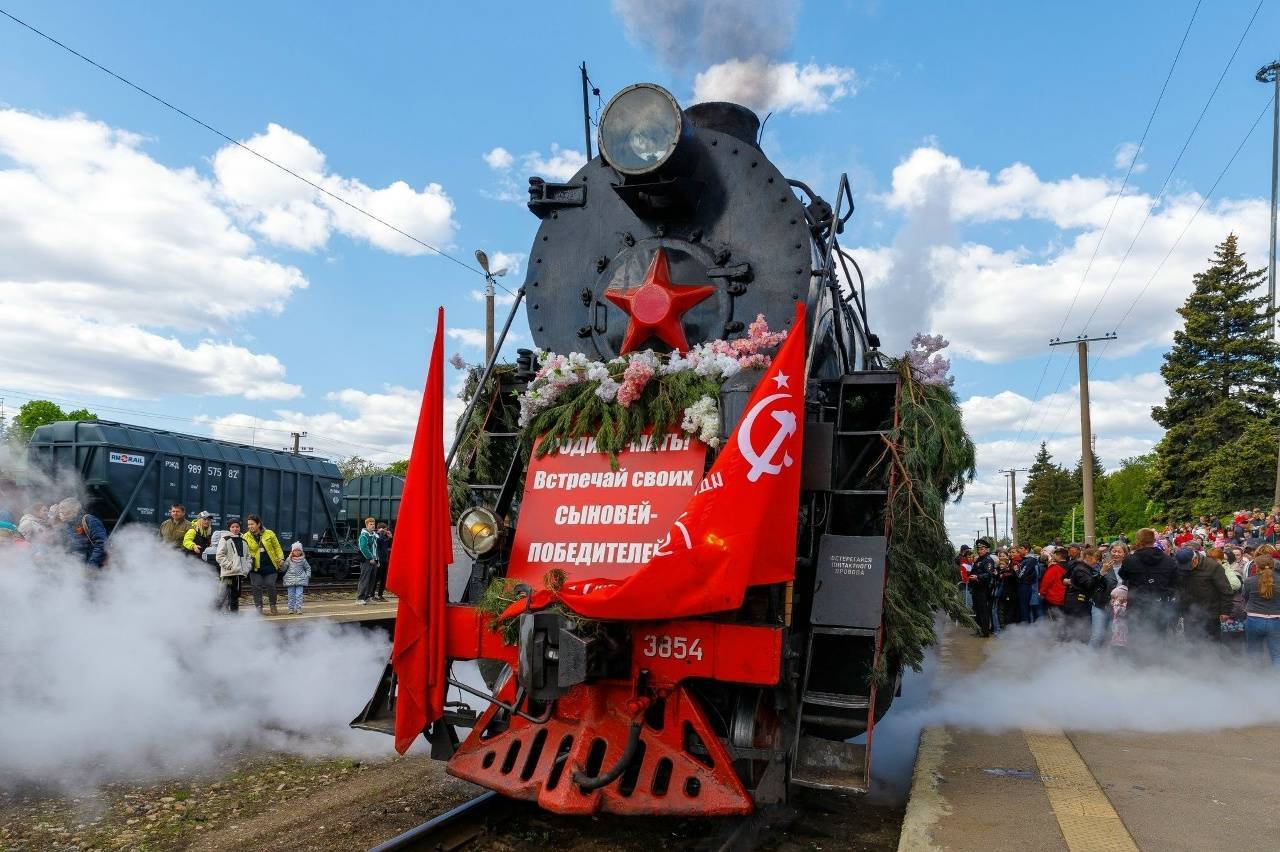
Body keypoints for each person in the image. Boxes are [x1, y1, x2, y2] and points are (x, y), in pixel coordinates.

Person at [1118, 528, 1179, 640]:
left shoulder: (1130, 560)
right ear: (1153, 540)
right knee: (1159, 640)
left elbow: (1123, 575)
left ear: (1138, 541)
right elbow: (1175, 583)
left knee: (1136, 640)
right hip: (1160, 607)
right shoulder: (1169, 560)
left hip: (1137, 607)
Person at [1174, 546, 1233, 642]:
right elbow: (1178, 587)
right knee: (1192, 642)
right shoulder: (1180, 566)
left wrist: (1225, 611)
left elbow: (1226, 590)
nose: (1186, 569)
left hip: (1210, 613)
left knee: (1212, 642)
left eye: (1188, 566)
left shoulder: (1213, 567)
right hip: (1189, 613)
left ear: (1195, 559)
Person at [1242, 553, 1280, 665]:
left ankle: (1255, 680)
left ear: (1257, 567)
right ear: (1273, 566)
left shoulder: (1249, 581)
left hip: (1254, 620)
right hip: (1276, 620)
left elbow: (1245, 597)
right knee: (1277, 654)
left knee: (1254, 653)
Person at [243, 514, 283, 615]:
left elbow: (277, 547)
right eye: (248, 524)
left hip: (270, 566)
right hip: (255, 567)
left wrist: (281, 558)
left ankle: (273, 605)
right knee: (256, 586)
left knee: (270, 584)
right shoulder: (246, 536)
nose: (250, 526)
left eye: (252, 524)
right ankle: (259, 607)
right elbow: (244, 551)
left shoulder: (269, 533)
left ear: (258, 524)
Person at [58, 498, 107, 569]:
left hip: (93, 568)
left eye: (63, 507)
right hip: (75, 568)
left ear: (75, 509)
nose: (60, 511)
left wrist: (91, 565)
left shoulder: (89, 520)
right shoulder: (66, 526)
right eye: (59, 508)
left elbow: (101, 544)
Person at [1061, 546, 1097, 642]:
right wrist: (1070, 581)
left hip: (1077, 601)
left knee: (1075, 627)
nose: (1096, 561)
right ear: (1088, 557)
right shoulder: (1078, 567)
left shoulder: (1087, 567)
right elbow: (1089, 584)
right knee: (1076, 627)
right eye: (1095, 558)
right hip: (1077, 602)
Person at [1091, 543, 1124, 646]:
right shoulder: (1101, 565)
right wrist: (1102, 572)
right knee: (1097, 635)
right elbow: (1091, 584)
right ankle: (1087, 659)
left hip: (1119, 608)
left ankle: (1107, 660)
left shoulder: (1128, 567)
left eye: (1119, 552)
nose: (1116, 554)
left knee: (1113, 636)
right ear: (1110, 552)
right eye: (1114, 551)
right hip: (1101, 605)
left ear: (1124, 554)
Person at [214, 520, 250, 612]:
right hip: (228, 574)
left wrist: (247, 567)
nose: (235, 529)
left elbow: (248, 556)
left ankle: (234, 616)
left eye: (237, 527)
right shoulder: (225, 539)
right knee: (222, 595)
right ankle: (214, 615)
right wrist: (230, 566)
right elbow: (219, 556)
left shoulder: (243, 541)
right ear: (229, 528)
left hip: (239, 573)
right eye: (233, 527)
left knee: (235, 596)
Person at [969, 541, 996, 637]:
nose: (979, 551)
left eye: (981, 549)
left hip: (983, 588)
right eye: (978, 549)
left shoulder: (988, 560)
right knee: (976, 609)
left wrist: (978, 577)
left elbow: (989, 574)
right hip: (976, 588)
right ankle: (979, 629)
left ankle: (985, 631)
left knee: (983, 610)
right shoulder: (978, 559)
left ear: (986, 549)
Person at [1038, 547, 1068, 624]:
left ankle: (1056, 635)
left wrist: (1042, 594)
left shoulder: (1054, 568)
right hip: (1067, 598)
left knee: (1054, 620)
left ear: (1058, 556)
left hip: (1054, 598)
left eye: (1054, 554)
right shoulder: (1071, 566)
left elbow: (1046, 582)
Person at [356, 517, 380, 605]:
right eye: (370, 524)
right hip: (367, 560)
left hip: (374, 560)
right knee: (365, 579)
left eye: (373, 524)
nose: (373, 525)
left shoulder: (373, 535)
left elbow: (375, 548)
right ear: (366, 525)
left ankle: (367, 597)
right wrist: (370, 558)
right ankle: (360, 598)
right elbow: (363, 547)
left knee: (371, 580)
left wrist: (377, 561)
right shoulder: (364, 535)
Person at [283, 542, 312, 614]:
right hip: (290, 580)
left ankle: (298, 608)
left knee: (299, 595)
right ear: (292, 551)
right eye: (295, 550)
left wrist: (307, 575)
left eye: (299, 550)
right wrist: (281, 564)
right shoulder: (289, 559)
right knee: (291, 595)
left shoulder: (303, 560)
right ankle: (291, 609)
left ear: (301, 551)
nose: (297, 552)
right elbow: (284, 568)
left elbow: (308, 568)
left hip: (300, 580)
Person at [1016, 546, 1041, 623]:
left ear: (1027, 550)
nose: (1018, 550)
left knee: (1025, 608)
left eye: (1021, 548)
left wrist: (1016, 570)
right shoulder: (1026, 560)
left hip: (1026, 586)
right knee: (1025, 608)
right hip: (1027, 586)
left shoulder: (1030, 560)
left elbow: (1020, 575)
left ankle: (1027, 629)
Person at [375, 522, 393, 602]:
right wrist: (381, 533)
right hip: (379, 560)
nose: (385, 531)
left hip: (385, 560)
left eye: (386, 529)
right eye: (384, 529)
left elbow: (389, 545)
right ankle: (372, 595)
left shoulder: (385, 537)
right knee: (376, 578)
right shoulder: (376, 536)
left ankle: (380, 595)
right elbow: (379, 541)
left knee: (383, 579)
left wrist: (390, 538)